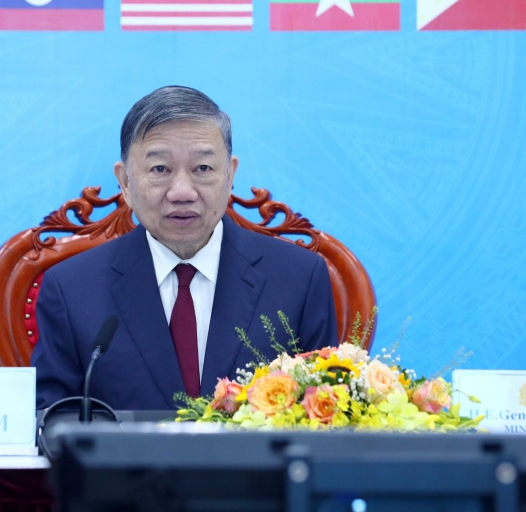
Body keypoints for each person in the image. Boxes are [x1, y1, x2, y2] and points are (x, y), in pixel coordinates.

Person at [32, 86, 338, 410]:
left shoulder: (299, 279)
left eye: (202, 168)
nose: (182, 192)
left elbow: (325, 416)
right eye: (159, 169)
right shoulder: (71, 289)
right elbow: (52, 419)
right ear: (125, 182)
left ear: (230, 175)